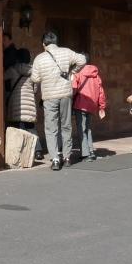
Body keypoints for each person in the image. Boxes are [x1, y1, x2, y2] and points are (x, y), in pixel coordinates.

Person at [31, 30, 86, 171]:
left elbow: (35, 78)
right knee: (66, 125)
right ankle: (67, 157)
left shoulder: (39, 58)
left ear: (44, 44)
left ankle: (55, 159)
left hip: (49, 96)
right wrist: (72, 71)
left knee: (51, 129)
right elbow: (82, 60)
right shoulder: (66, 52)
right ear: (56, 41)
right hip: (65, 94)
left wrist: (46, 76)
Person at [4, 48, 41, 158]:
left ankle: (19, 153)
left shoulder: (13, 69)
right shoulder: (33, 71)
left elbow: (1, 77)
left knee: (17, 128)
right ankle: (38, 151)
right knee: (31, 128)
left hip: (16, 104)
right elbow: (35, 89)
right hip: (29, 103)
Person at [71, 59, 106, 162]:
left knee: (81, 129)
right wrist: (102, 106)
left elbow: (74, 88)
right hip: (92, 105)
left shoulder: (78, 74)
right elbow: (101, 92)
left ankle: (85, 154)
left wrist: (70, 99)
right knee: (88, 129)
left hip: (80, 104)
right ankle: (91, 151)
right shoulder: (96, 75)